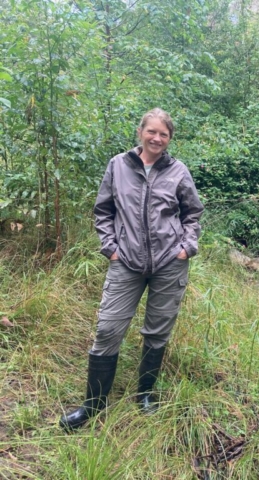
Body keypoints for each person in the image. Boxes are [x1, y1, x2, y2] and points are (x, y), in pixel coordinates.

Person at [60, 108, 204, 431]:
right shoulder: (118, 166)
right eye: (151, 131)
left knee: (157, 331)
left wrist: (186, 248)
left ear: (169, 139)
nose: (156, 138)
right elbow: (103, 210)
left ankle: (145, 396)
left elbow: (193, 213)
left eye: (163, 134)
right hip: (125, 262)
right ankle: (92, 406)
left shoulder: (178, 171)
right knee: (108, 329)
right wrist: (111, 248)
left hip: (170, 263)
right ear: (140, 132)